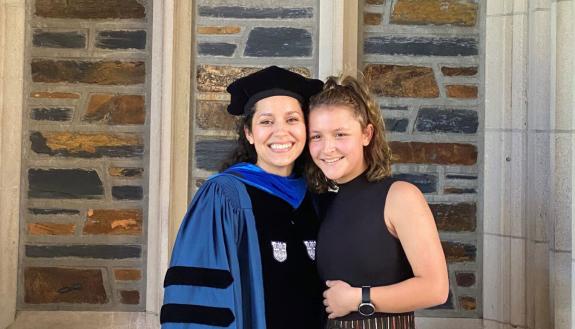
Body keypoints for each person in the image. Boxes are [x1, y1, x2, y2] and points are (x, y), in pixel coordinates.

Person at [161, 66, 325, 329]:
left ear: (306, 128)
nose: (281, 132)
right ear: (249, 133)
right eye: (266, 121)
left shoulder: (317, 199)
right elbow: (199, 300)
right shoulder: (223, 198)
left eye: (292, 119)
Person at [306, 75, 449, 329]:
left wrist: (357, 298)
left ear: (366, 134)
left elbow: (435, 288)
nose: (327, 148)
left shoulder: (399, 196)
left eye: (340, 134)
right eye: (316, 136)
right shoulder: (325, 205)